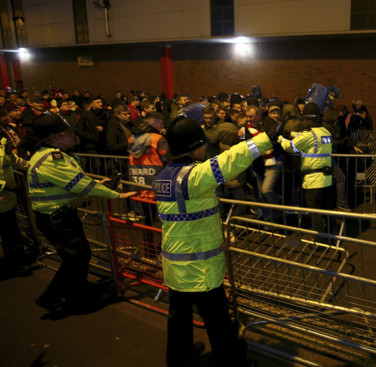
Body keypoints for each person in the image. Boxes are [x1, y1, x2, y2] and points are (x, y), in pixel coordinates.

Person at [152, 116, 273, 366]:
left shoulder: (162, 176)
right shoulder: (195, 177)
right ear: (193, 147)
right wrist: (265, 138)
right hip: (201, 270)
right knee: (219, 325)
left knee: (178, 319)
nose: (205, 148)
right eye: (202, 144)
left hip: (175, 267)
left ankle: (179, 358)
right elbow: (230, 160)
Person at [29, 114, 136, 313]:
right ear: (54, 138)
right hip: (58, 219)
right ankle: (51, 296)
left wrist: (96, 184)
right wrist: (117, 195)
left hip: (59, 216)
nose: (73, 137)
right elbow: (78, 184)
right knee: (76, 258)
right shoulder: (52, 159)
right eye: (68, 134)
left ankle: (78, 292)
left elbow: (75, 180)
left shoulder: (51, 155)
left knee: (79, 256)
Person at [279, 102, 333, 233]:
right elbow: (306, 138)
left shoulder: (310, 134)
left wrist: (281, 138)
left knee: (315, 214)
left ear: (309, 119)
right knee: (327, 211)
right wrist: (290, 132)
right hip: (327, 179)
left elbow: (291, 147)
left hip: (313, 180)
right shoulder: (325, 132)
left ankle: (320, 242)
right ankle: (332, 235)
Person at [0, 136, 31, 275]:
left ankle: (15, 264)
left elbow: (12, 160)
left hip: (6, 200)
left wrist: (33, 166)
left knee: (10, 232)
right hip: (6, 192)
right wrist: (8, 185)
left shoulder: (2, 141)